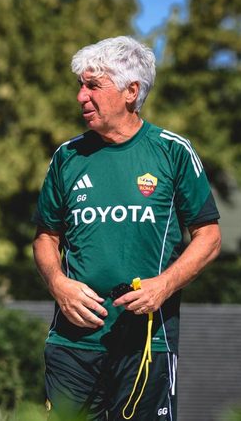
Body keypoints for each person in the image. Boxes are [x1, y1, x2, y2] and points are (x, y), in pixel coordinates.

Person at [31, 36, 221, 420]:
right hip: (73, 343)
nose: (81, 96)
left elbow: (209, 237)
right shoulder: (67, 158)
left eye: (93, 85)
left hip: (147, 343)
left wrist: (164, 285)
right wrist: (58, 284)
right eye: (81, 85)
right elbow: (45, 238)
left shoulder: (172, 151)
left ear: (131, 91)